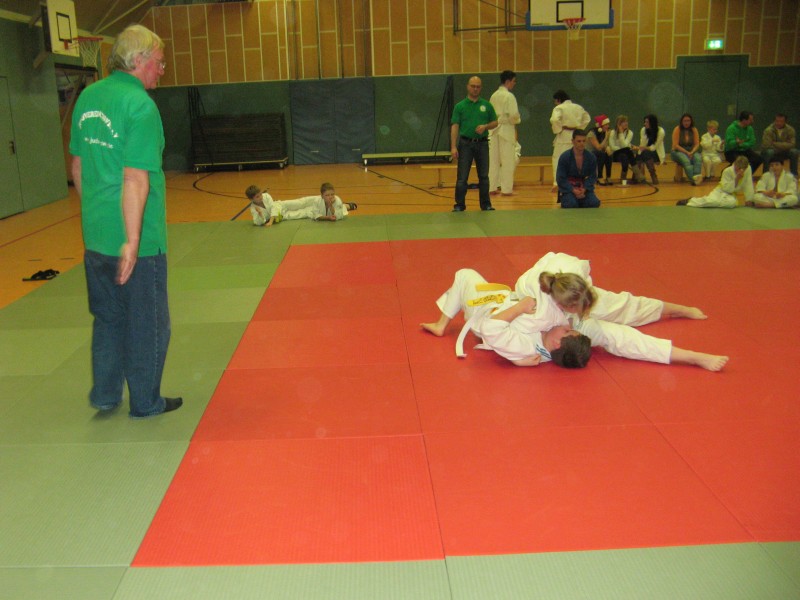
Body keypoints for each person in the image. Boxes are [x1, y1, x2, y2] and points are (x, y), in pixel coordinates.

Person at [69, 25, 182, 418]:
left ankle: (105, 395)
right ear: (138, 61)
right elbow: (136, 178)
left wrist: (98, 214)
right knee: (149, 323)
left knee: (108, 318)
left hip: (96, 235)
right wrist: (131, 241)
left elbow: (78, 167)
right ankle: (146, 402)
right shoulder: (140, 107)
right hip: (139, 241)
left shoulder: (88, 97)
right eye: (159, 62)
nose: (162, 70)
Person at [514, 252, 729, 371]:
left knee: (622, 306)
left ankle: (678, 309)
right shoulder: (534, 311)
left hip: (570, 299)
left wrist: (582, 306)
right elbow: (499, 329)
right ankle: (692, 357)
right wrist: (517, 359)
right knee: (617, 336)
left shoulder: (572, 273)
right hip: (560, 323)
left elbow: (581, 274)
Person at [420, 268, 592, 368]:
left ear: (557, 343)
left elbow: (490, 328)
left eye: (568, 331)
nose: (567, 325)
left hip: (485, 315)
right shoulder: (550, 335)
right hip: (502, 300)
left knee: (464, 275)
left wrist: (519, 308)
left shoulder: (528, 347)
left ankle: (441, 325)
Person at [450, 76, 498, 212]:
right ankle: (459, 204)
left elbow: (495, 122)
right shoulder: (460, 106)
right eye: (473, 86)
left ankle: (486, 204)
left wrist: (485, 126)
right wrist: (453, 147)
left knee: (484, 176)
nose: (475, 89)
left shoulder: (487, 105)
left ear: (481, 88)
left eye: (478, 86)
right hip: (465, 144)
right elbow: (455, 126)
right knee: (462, 177)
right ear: (468, 87)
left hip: (482, 144)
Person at [244, 184, 356, 225]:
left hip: (282, 206)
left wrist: (271, 221)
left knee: (302, 202)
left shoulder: (266, 196)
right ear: (251, 199)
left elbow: (274, 206)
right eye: (257, 197)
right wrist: (260, 215)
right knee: (303, 213)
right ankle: (345, 206)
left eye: (260, 194)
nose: (261, 197)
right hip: (282, 216)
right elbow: (258, 222)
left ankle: (344, 205)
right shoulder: (254, 208)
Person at [549, 90, 590, 192]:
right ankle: (575, 182)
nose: (555, 103)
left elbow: (554, 120)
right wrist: (579, 128)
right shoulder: (578, 107)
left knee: (558, 159)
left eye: (555, 101)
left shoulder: (559, 108)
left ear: (559, 100)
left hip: (564, 135)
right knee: (576, 159)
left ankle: (558, 183)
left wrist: (558, 129)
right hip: (576, 135)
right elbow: (587, 119)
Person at [488, 70, 521, 196]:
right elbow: (514, 115)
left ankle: (491, 187)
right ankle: (506, 190)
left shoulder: (493, 95)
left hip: (493, 130)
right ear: (507, 81)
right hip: (506, 129)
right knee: (508, 161)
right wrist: (517, 120)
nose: (514, 84)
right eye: (513, 81)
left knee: (493, 161)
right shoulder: (509, 96)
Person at [677, 155, 754, 208]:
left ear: (745, 168)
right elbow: (726, 189)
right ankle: (690, 201)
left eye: (742, 169)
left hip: (731, 195)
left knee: (731, 203)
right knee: (710, 201)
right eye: (737, 169)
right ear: (735, 164)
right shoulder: (727, 171)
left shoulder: (748, 169)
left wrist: (749, 199)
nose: (739, 171)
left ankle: (716, 203)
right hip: (721, 191)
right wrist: (737, 178)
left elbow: (749, 184)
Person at [556, 129, 601, 208]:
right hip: (569, 189)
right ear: (573, 141)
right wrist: (573, 190)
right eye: (579, 141)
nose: (582, 143)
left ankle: (580, 200)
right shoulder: (565, 157)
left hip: (583, 188)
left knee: (594, 203)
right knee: (571, 204)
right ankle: (570, 199)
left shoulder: (591, 157)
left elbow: (593, 176)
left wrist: (584, 189)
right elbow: (560, 178)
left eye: (584, 141)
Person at [671, 113, 703, 185]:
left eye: (688, 121)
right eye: (685, 121)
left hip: (691, 151)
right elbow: (675, 145)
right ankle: (693, 179)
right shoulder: (677, 129)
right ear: (681, 122)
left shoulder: (694, 129)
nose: (686, 123)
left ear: (691, 121)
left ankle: (697, 177)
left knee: (698, 159)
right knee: (686, 161)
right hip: (677, 151)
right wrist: (687, 153)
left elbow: (697, 144)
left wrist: (692, 152)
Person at [633, 114, 665, 185]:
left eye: (647, 122)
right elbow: (642, 144)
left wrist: (642, 148)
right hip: (645, 153)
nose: (645, 124)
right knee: (641, 153)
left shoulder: (661, 131)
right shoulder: (643, 130)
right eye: (644, 122)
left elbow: (654, 147)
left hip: (656, 154)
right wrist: (639, 149)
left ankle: (636, 177)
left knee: (645, 153)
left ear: (652, 123)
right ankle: (651, 176)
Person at [608, 114, 636, 184]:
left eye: (626, 121)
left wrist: (624, 147)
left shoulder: (630, 133)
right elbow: (612, 146)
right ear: (618, 124)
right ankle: (637, 172)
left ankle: (623, 178)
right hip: (615, 154)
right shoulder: (613, 132)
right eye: (623, 122)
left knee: (625, 156)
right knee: (627, 150)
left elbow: (624, 145)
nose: (626, 123)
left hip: (624, 154)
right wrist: (620, 132)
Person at [588, 114, 613, 186]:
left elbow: (604, 146)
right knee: (601, 154)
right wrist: (606, 137)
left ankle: (608, 176)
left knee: (608, 155)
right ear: (600, 126)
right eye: (606, 125)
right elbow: (598, 147)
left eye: (608, 124)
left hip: (598, 152)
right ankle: (599, 177)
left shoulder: (604, 133)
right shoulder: (592, 133)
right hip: (589, 153)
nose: (608, 126)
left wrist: (607, 148)